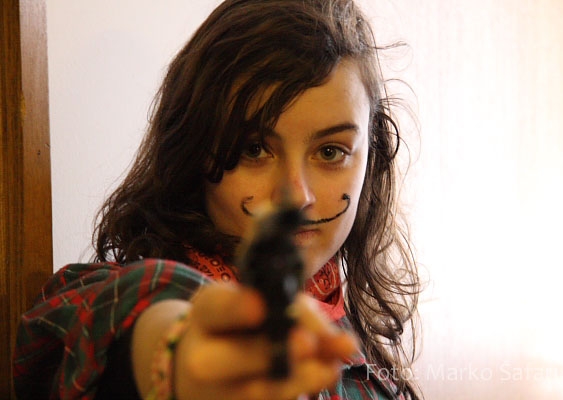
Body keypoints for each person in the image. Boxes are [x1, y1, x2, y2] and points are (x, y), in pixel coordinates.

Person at [13, 0, 421, 398]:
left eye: (330, 152)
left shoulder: (365, 354)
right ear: (192, 150)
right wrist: (174, 355)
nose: (297, 196)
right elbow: (115, 321)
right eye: (254, 150)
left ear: (371, 157)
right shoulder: (113, 299)